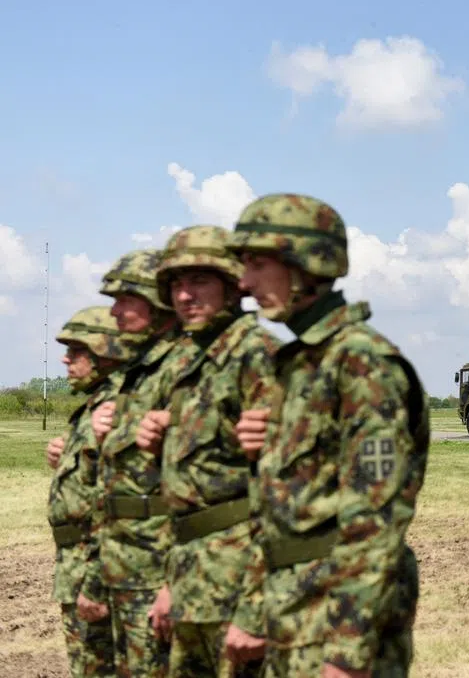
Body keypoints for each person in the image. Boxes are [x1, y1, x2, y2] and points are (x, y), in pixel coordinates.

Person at [222, 193, 431, 678]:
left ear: (306, 265)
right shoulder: (299, 365)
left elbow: (374, 521)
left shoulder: (361, 363)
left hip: (332, 620)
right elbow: (284, 509)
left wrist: (347, 655)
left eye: (257, 264)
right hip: (291, 610)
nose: (244, 283)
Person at [133, 225, 280, 677]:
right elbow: (188, 495)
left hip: (240, 582)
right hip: (192, 578)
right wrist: (170, 583)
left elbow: (283, 496)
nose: (184, 295)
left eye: (199, 281)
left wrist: (256, 609)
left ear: (233, 285)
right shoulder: (189, 362)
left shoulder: (258, 355)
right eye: (176, 284)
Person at [92, 248, 183, 677]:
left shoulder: (181, 368)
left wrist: (174, 581)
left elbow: (199, 488)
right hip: (125, 566)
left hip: (158, 570)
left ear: (156, 301)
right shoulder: (139, 373)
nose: (114, 311)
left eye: (125, 299)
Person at [46, 306, 135, 678]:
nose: (66, 359)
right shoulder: (92, 408)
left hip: (94, 564)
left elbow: (116, 503)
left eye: (77, 351)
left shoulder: (117, 407)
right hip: (75, 563)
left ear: (105, 353)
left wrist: (97, 582)